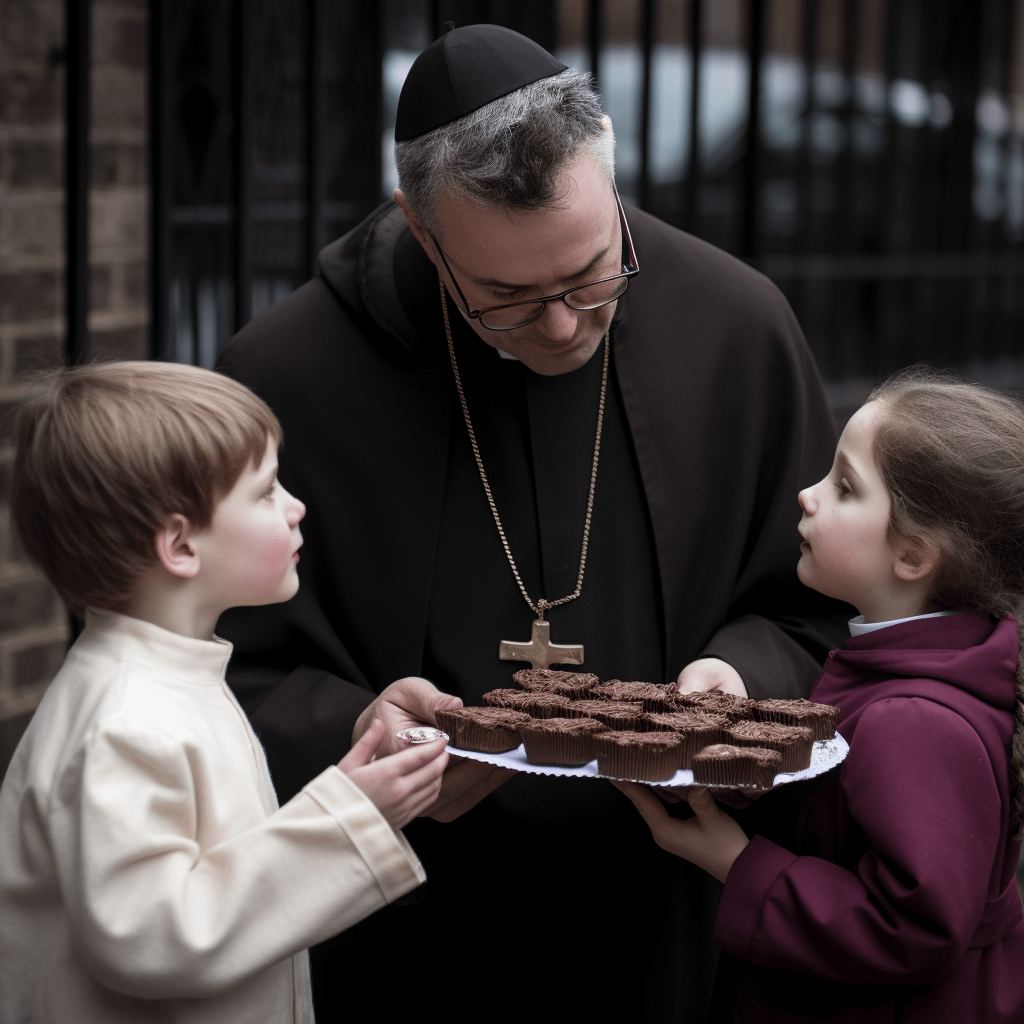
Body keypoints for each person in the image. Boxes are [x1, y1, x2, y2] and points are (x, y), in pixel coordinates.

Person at [216, 23, 848, 1022]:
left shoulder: (736, 327)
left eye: (592, 274)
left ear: (610, 177)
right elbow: (216, 665)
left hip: (663, 913)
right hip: (404, 926)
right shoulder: (287, 375)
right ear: (419, 231)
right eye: (506, 298)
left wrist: (734, 685)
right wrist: (361, 729)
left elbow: (819, 610)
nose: (560, 326)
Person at [0, 362, 448, 1024]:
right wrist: (349, 821)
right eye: (265, 491)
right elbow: (151, 936)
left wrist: (352, 795)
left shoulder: (166, 678)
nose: (296, 506)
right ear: (181, 545)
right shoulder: (129, 721)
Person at [616, 369, 1024, 1023]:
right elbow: (834, 816)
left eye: (844, 487)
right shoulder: (900, 671)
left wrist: (738, 862)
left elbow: (915, 927)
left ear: (915, 556)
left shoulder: (914, 720)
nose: (807, 495)